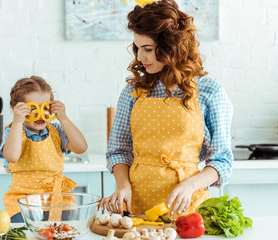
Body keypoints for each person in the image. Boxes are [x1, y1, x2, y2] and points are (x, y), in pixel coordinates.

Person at [100, 0, 233, 219]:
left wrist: (190, 185)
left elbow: (222, 161)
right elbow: (119, 151)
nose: (140, 58)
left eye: (148, 49)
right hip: (136, 210)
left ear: (172, 47)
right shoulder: (133, 91)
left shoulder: (210, 91)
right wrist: (122, 186)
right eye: (138, 48)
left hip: (189, 211)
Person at [0, 75, 88, 222]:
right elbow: (12, 156)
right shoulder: (14, 131)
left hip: (57, 198)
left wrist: (63, 118)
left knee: (65, 234)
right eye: (33, 109)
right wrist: (17, 121)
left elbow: (81, 147)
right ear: (16, 109)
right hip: (24, 200)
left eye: (45, 108)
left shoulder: (56, 130)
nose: (41, 115)